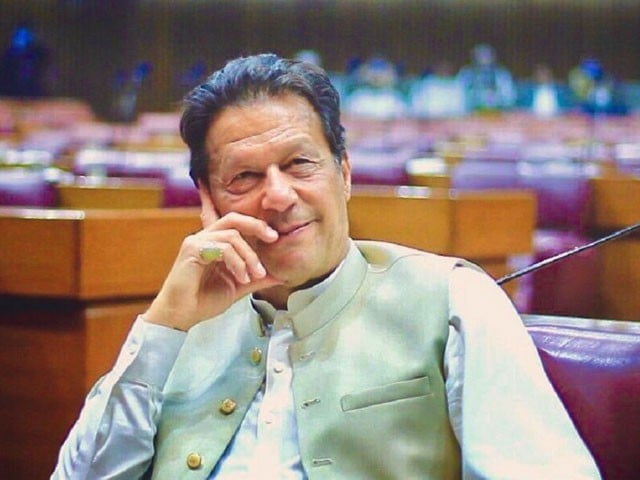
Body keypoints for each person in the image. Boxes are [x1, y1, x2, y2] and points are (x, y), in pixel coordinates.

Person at [52, 53, 600, 479]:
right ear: (207, 199)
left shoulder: (454, 299)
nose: (278, 195)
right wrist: (162, 327)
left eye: (299, 164)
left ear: (345, 173)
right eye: (244, 177)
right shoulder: (180, 324)